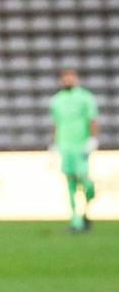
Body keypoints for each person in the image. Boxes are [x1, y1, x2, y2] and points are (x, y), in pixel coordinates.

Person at [49, 68, 99, 232]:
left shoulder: (85, 98)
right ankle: (75, 220)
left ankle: (86, 210)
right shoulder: (56, 100)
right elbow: (56, 124)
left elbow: (92, 120)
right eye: (65, 78)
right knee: (70, 182)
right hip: (65, 147)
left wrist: (92, 140)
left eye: (70, 77)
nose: (68, 80)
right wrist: (55, 144)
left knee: (86, 182)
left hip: (81, 146)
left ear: (76, 79)